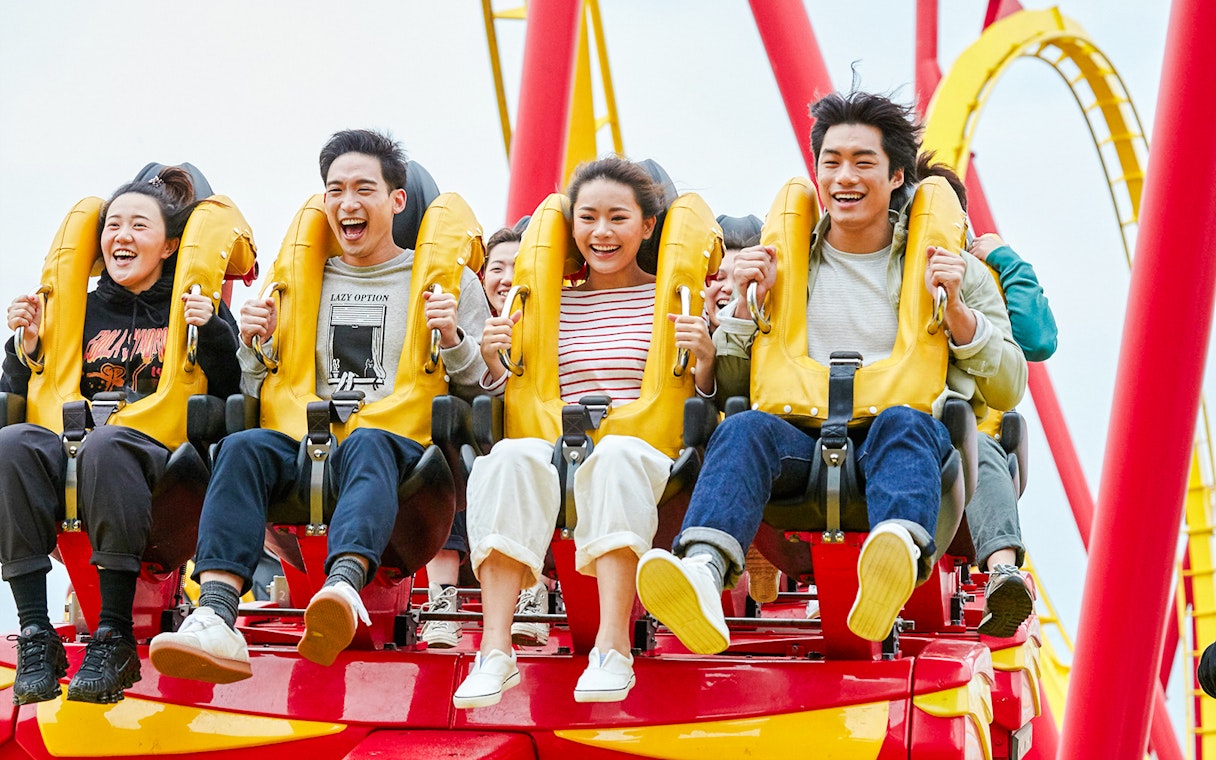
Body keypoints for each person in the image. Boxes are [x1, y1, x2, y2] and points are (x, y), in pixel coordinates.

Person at [635, 90, 1027, 653]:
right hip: (799, 447)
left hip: (896, 445)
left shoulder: (952, 267)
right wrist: (745, 306)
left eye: (863, 162)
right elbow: (731, 385)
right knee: (740, 429)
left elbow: (1008, 384)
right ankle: (701, 570)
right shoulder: (783, 263)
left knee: (906, 423)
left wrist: (959, 312)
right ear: (817, 171)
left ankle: (893, 556)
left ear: (896, 176)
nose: (845, 176)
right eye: (832, 161)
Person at [149, 130, 491, 682]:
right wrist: (254, 349)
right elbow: (256, 391)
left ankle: (343, 588)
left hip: (402, 456)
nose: (347, 203)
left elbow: (487, 393)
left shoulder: (448, 283)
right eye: (335, 190)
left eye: (363, 188)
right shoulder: (298, 284)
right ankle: (216, 611)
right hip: (307, 445)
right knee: (241, 446)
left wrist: (453, 338)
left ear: (396, 200)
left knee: (369, 442)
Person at [453, 156, 716, 708]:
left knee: (616, 453)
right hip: (557, 448)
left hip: (641, 451)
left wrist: (706, 357)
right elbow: (511, 390)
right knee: (504, 458)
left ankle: (613, 646)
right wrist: (495, 359)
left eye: (618, 218)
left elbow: (704, 394)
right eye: (588, 218)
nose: (601, 232)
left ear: (647, 226)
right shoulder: (546, 305)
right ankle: (495, 650)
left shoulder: (674, 301)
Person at [0, 167, 241, 704]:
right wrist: (27, 345)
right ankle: (37, 632)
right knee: (12, 443)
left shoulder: (194, 307)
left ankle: (113, 636)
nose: (122, 236)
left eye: (139, 225)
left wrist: (216, 332)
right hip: (76, 449)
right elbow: (15, 393)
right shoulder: (73, 308)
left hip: (161, 463)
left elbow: (232, 398)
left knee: (108, 446)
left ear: (169, 245)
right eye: (113, 225)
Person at [918, 155, 1057, 637]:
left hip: (971, 431)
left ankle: (1002, 570)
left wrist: (1002, 258)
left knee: (977, 450)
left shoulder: (979, 276)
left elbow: (1037, 340)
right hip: (893, 421)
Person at [420, 223, 551, 650]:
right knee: (454, 438)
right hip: (474, 460)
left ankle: (536, 590)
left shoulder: (554, 325)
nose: (508, 278)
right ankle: (442, 600)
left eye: (520, 267)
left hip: (537, 454)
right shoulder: (463, 322)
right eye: (497, 267)